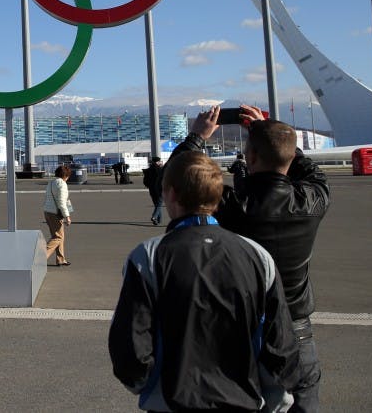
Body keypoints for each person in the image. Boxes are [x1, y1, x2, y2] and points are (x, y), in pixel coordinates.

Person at [109, 151, 299, 412]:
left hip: (172, 400)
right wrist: (275, 398)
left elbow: (130, 341)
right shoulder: (257, 255)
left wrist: (147, 385)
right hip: (244, 400)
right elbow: (280, 343)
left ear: (171, 194)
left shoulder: (149, 256)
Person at [171, 104, 329, 412]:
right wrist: (269, 135)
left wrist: (197, 137)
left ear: (251, 158)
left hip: (244, 329)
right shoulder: (314, 198)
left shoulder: (234, 205)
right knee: (305, 399)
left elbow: (178, 181)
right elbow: (309, 171)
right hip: (296, 326)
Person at [42, 164, 72, 266]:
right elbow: (61, 202)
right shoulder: (62, 184)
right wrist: (67, 216)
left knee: (59, 236)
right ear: (66, 175)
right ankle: (40, 258)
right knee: (57, 237)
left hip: (47, 211)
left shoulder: (51, 183)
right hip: (55, 213)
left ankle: (61, 259)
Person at [142, 156, 163, 225]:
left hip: (151, 189)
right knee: (159, 204)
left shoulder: (148, 170)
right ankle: (154, 216)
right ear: (157, 162)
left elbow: (145, 181)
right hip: (159, 189)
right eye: (159, 161)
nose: (160, 162)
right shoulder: (160, 170)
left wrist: (149, 186)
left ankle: (158, 220)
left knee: (156, 204)